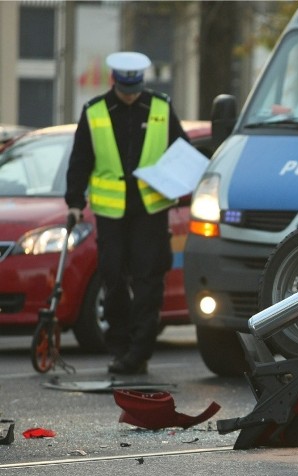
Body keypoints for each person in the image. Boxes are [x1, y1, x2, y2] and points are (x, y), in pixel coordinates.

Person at [65, 51, 188, 375]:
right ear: (115, 82)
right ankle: (119, 345)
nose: (131, 97)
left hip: (150, 210)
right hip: (111, 213)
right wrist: (74, 201)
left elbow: (182, 151)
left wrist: (180, 181)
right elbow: (80, 160)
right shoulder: (95, 112)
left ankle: (139, 351)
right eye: (125, 92)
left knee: (149, 282)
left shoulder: (160, 107)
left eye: (135, 91)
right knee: (113, 277)